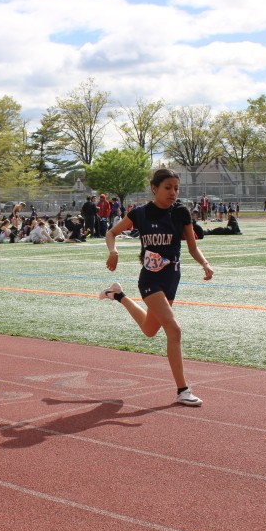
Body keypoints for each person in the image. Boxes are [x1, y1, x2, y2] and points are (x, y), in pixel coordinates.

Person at [99, 167, 214, 407]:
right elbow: (111, 233)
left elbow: (192, 247)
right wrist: (113, 251)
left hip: (172, 279)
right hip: (150, 280)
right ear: (154, 188)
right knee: (174, 330)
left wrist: (204, 263)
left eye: (176, 188)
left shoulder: (181, 212)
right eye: (167, 188)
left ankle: (117, 295)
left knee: (150, 330)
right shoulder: (140, 213)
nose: (173, 192)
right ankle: (183, 390)